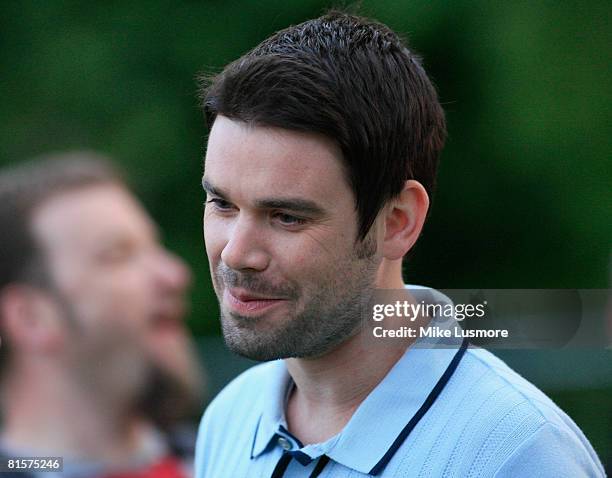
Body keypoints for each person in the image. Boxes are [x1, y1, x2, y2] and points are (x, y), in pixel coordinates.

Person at [194, 11, 604, 478]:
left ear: (397, 222)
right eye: (222, 204)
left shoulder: (518, 454)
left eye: (287, 216)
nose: (235, 253)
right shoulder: (229, 419)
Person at [0, 152, 205, 477]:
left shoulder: (227, 460)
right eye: (119, 255)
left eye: (155, 247)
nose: (175, 275)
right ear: (30, 318)